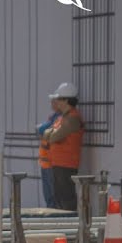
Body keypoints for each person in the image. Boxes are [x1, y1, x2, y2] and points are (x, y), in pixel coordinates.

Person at [43, 82, 83, 211]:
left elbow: (53, 136)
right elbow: (48, 133)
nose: (56, 102)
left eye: (59, 99)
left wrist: (50, 133)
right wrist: (50, 133)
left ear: (66, 100)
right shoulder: (64, 117)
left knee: (66, 200)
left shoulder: (72, 119)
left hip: (66, 166)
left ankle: (70, 227)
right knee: (59, 199)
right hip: (59, 164)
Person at [36, 96, 61, 208]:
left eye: (53, 101)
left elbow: (42, 130)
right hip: (45, 162)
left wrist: (42, 129)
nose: (51, 103)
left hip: (51, 163)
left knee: (53, 196)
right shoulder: (53, 117)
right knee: (48, 196)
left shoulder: (59, 118)